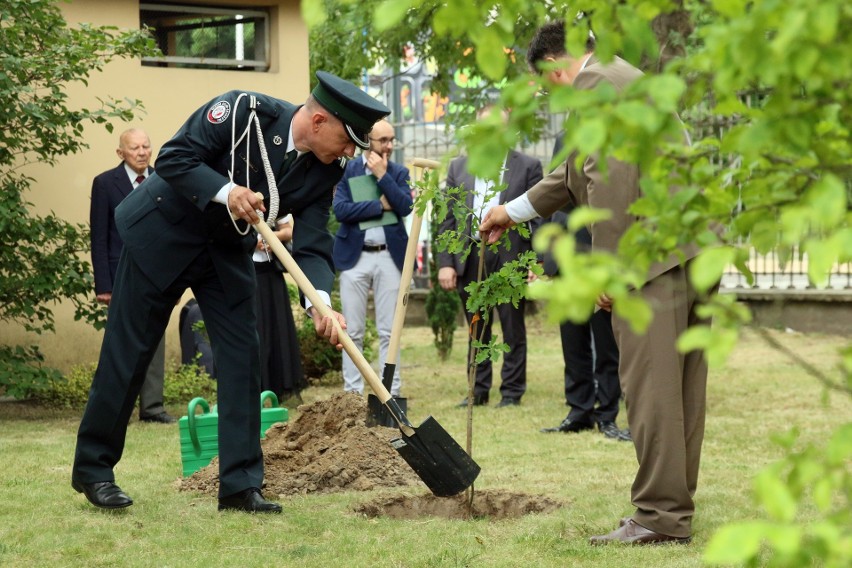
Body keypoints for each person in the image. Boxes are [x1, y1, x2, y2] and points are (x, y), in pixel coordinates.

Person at [72, 71, 390, 514]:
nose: (352, 151)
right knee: (130, 353)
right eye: (349, 139)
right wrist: (227, 192)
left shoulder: (326, 169)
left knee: (244, 358)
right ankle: (94, 469)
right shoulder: (244, 112)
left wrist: (320, 302)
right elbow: (175, 157)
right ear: (319, 122)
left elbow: (315, 241)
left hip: (224, 253)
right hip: (163, 235)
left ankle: (240, 485)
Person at [480, 21, 714, 544]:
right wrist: (511, 212)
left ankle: (659, 517)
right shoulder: (620, 76)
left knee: (651, 391)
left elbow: (610, 178)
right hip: (688, 248)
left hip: (651, 260)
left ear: (556, 67)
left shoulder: (594, 85)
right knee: (678, 392)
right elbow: (572, 174)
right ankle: (673, 505)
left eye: (546, 85)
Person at [437, 106, 543, 408]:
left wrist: (537, 261)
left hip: (512, 257)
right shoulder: (459, 167)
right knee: (476, 325)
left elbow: (539, 218)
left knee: (512, 327)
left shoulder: (528, 167)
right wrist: (446, 263)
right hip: (470, 257)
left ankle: (511, 392)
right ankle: (478, 390)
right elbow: (447, 219)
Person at [539, 143, 629, 442]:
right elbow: (553, 189)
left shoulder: (611, 132)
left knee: (606, 343)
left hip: (598, 253)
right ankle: (579, 411)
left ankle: (607, 415)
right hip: (566, 257)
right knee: (572, 341)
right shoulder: (566, 136)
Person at [89, 128, 174, 424]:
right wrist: (104, 284)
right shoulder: (104, 184)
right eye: (134, 147)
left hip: (159, 276)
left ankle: (152, 407)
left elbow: (174, 234)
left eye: (146, 146)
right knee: (120, 344)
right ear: (120, 153)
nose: (141, 152)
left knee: (156, 342)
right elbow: (99, 237)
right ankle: (114, 409)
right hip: (120, 276)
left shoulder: (165, 181)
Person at [332, 119, 412, 397]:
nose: (389, 146)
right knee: (351, 332)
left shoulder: (399, 173)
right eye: (383, 140)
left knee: (389, 331)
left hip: (389, 258)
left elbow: (404, 206)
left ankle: (391, 392)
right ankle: (351, 394)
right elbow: (341, 210)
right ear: (369, 142)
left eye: (392, 140)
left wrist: (383, 177)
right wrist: (378, 205)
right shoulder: (349, 170)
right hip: (356, 258)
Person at [253, 214, 305, 404]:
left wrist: (270, 237)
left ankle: (278, 386)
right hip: (246, 273)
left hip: (270, 272)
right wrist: (252, 243)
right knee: (256, 332)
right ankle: (255, 388)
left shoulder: (272, 196)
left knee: (277, 330)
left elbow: (288, 231)